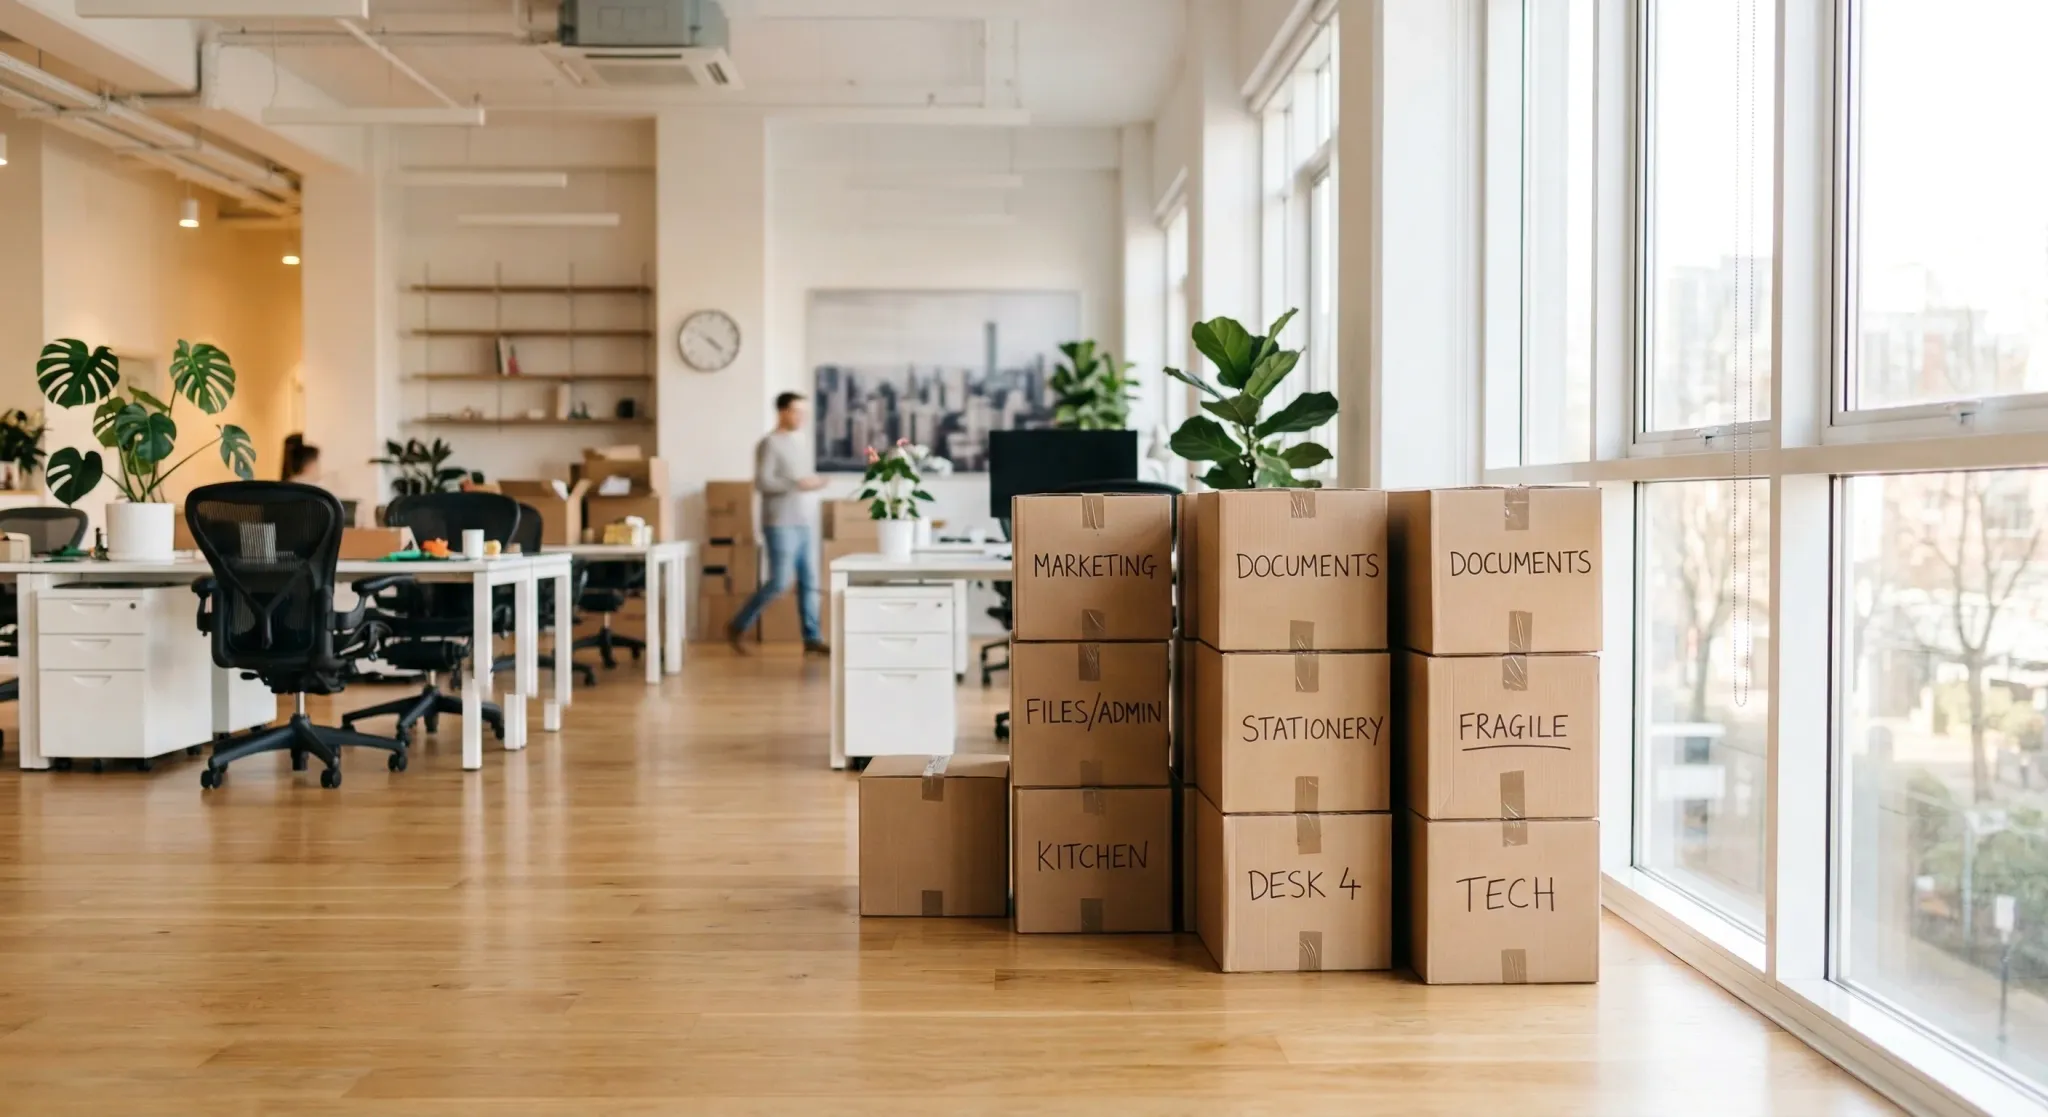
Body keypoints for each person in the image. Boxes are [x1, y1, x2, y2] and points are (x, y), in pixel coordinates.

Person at [727, 392, 828, 656]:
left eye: (805, 412)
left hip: (804, 522)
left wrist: (814, 483)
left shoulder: (798, 444)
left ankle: (812, 638)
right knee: (780, 582)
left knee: (809, 582)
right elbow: (763, 482)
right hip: (780, 523)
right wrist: (797, 484)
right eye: (797, 411)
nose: (802, 417)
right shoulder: (769, 444)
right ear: (783, 412)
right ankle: (738, 625)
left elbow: (800, 481)